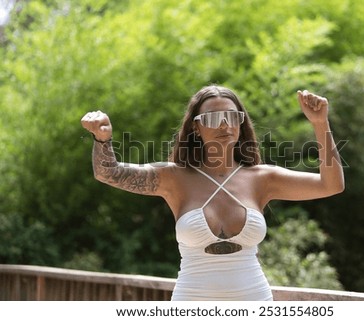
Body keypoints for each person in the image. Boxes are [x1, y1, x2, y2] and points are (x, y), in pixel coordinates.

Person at [81, 85, 344, 301]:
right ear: (196, 127)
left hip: (254, 302)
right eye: (213, 119)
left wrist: (320, 124)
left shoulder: (262, 178)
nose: (224, 126)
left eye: (232, 117)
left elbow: (331, 185)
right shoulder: (174, 177)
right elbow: (109, 173)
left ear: (241, 124)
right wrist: (102, 140)